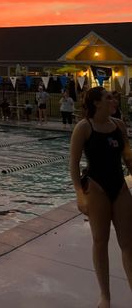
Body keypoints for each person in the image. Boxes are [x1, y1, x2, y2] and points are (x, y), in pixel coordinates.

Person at [70, 86, 132, 308]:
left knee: (128, 243)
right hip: (96, 188)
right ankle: (105, 296)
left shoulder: (119, 126)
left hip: (119, 187)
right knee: (100, 241)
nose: (113, 100)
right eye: (108, 97)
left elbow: (128, 158)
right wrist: (80, 195)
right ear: (96, 103)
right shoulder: (84, 128)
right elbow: (74, 164)